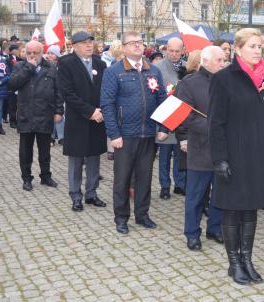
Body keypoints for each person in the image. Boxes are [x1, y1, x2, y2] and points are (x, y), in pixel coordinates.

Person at [209, 28, 264, 284]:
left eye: (259, 46)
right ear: (238, 49)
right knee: (233, 210)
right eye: (251, 46)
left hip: (260, 154)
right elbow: (215, 123)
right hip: (234, 154)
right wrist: (219, 158)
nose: (257, 50)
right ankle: (234, 263)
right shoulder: (224, 79)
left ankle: (247, 259)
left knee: (251, 208)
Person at [101, 31, 168, 234]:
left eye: (140, 42)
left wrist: (164, 127)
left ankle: (142, 214)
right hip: (125, 135)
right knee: (122, 179)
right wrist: (114, 135)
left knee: (145, 177)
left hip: (148, 135)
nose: (138, 45)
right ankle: (121, 218)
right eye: (133, 43)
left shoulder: (153, 71)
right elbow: (107, 104)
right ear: (124, 48)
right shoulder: (114, 72)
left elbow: (163, 100)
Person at [176, 45, 225, 250]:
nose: (224, 64)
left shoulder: (226, 82)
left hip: (224, 150)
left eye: (225, 60)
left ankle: (214, 228)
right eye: (219, 60)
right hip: (201, 148)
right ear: (206, 61)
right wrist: (214, 128)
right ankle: (192, 233)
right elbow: (185, 115)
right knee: (196, 196)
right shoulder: (189, 83)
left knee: (220, 194)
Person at [58, 31, 108, 211]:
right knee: (76, 159)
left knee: (94, 157)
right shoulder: (66, 64)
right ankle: (75, 196)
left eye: (91, 42)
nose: (89, 46)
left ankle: (91, 194)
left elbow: (106, 89)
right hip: (78, 119)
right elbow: (67, 94)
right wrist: (90, 111)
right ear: (74, 46)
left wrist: (101, 110)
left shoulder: (100, 63)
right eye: (85, 43)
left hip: (98, 118)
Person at [8, 41, 63, 191]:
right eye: (29, 53)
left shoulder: (50, 67)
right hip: (26, 114)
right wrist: (29, 68)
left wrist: (59, 111)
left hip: (45, 114)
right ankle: (27, 178)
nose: (32, 56)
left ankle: (46, 176)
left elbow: (58, 91)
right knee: (25, 151)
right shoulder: (20, 66)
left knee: (45, 150)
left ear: (42, 52)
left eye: (35, 53)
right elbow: (12, 84)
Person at [155, 37, 187, 199]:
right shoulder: (158, 68)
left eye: (177, 51)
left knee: (180, 154)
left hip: (182, 117)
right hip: (165, 117)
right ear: (166, 49)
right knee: (165, 155)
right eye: (171, 50)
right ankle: (165, 186)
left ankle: (180, 184)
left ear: (182, 51)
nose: (174, 54)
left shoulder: (187, 67)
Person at [46, 45, 64, 145]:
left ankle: (62, 137)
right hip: (50, 92)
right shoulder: (46, 65)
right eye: (48, 53)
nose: (50, 55)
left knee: (61, 115)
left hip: (61, 92)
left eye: (52, 53)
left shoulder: (62, 65)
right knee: (51, 115)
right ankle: (51, 137)